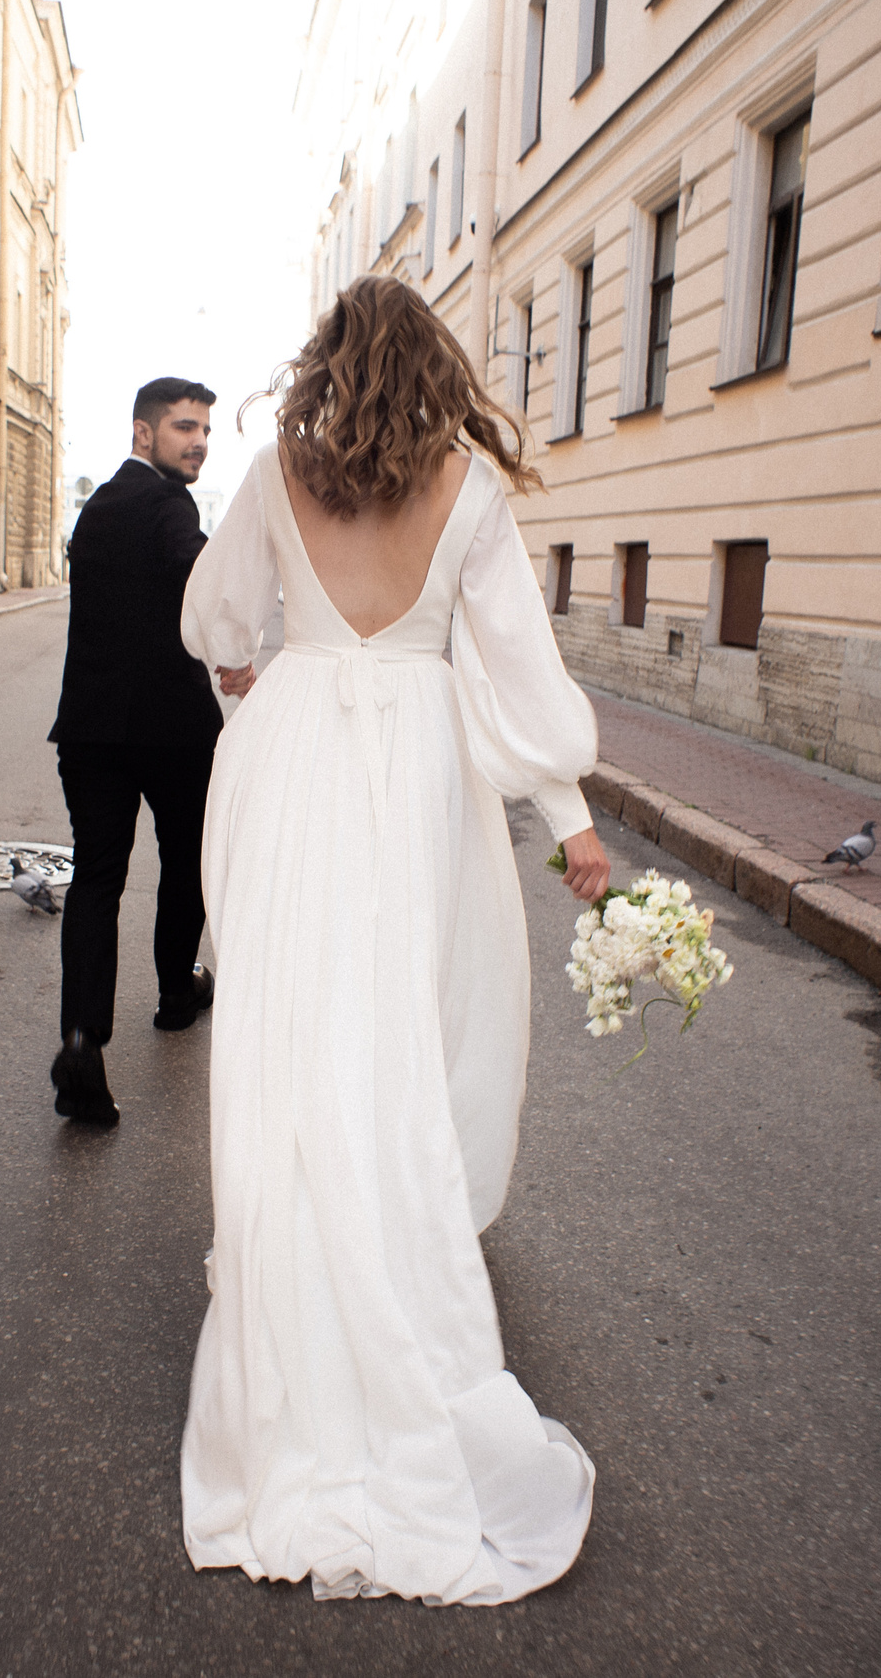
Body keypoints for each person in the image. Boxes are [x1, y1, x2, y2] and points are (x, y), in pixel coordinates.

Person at [176, 277, 612, 1605]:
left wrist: (260, 676)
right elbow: (518, 673)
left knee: (290, 1025)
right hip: (422, 774)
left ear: (322, 367)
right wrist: (571, 814)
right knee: (414, 1024)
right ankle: (396, 1260)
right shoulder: (472, 489)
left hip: (294, 753)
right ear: (434, 363)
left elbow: (212, 622)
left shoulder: (272, 474)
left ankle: (295, 1265)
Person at [46, 377, 225, 1129]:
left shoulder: (95, 511)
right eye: (185, 427)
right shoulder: (169, 505)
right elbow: (201, 573)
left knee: (96, 880)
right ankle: (175, 995)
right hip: (172, 731)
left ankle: (83, 1042)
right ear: (143, 433)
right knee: (183, 863)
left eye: (206, 430)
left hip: (88, 730)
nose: (199, 442)